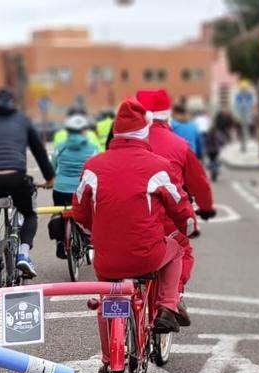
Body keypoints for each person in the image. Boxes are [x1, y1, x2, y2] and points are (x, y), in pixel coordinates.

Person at [72, 97, 196, 335]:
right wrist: (187, 226)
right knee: (177, 249)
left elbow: (79, 211)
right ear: (144, 133)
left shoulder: (92, 166)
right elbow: (180, 207)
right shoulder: (158, 166)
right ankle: (168, 307)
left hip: (106, 259)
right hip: (146, 255)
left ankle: (109, 360)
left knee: (107, 300)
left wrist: (93, 229)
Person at [136, 89, 216, 325]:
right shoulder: (179, 145)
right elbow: (198, 182)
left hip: (129, 220)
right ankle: (172, 299)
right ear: (166, 114)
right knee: (181, 251)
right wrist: (206, 207)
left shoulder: (119, 144)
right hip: (168, 218)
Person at [0, 88, 55, 280]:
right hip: (16, 177)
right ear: (12, 103)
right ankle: (24, 254)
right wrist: (49, 178)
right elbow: (39, 151)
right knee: (29, 214)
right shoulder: (21, 119)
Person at [50, 113, 99, 258]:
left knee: (58, 212)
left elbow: (53, 166)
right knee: (88, 213)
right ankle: (86, 237)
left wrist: (50, 180)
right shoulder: (92, 147)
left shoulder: (60, 146)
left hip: (61, 188)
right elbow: (96, 167)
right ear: (84, 130)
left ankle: (60, 242)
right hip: (81, 189)